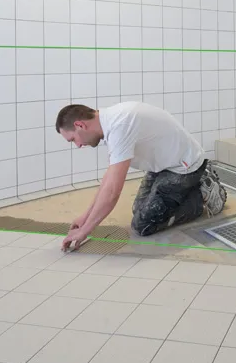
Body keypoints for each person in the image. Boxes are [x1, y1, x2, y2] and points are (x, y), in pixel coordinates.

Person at [55, 101, 226, 251]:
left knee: (144, 225)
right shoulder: (111, 122)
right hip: (162, 166)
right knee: (139, 210)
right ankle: (189, 189)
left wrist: (85, 231)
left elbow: (113, 192)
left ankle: (202, 195)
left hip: (184, 166)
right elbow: (109, 179)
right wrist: (85, 218)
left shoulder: (120, 124)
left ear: (80, 125)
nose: (77, 145)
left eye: (73, 139)